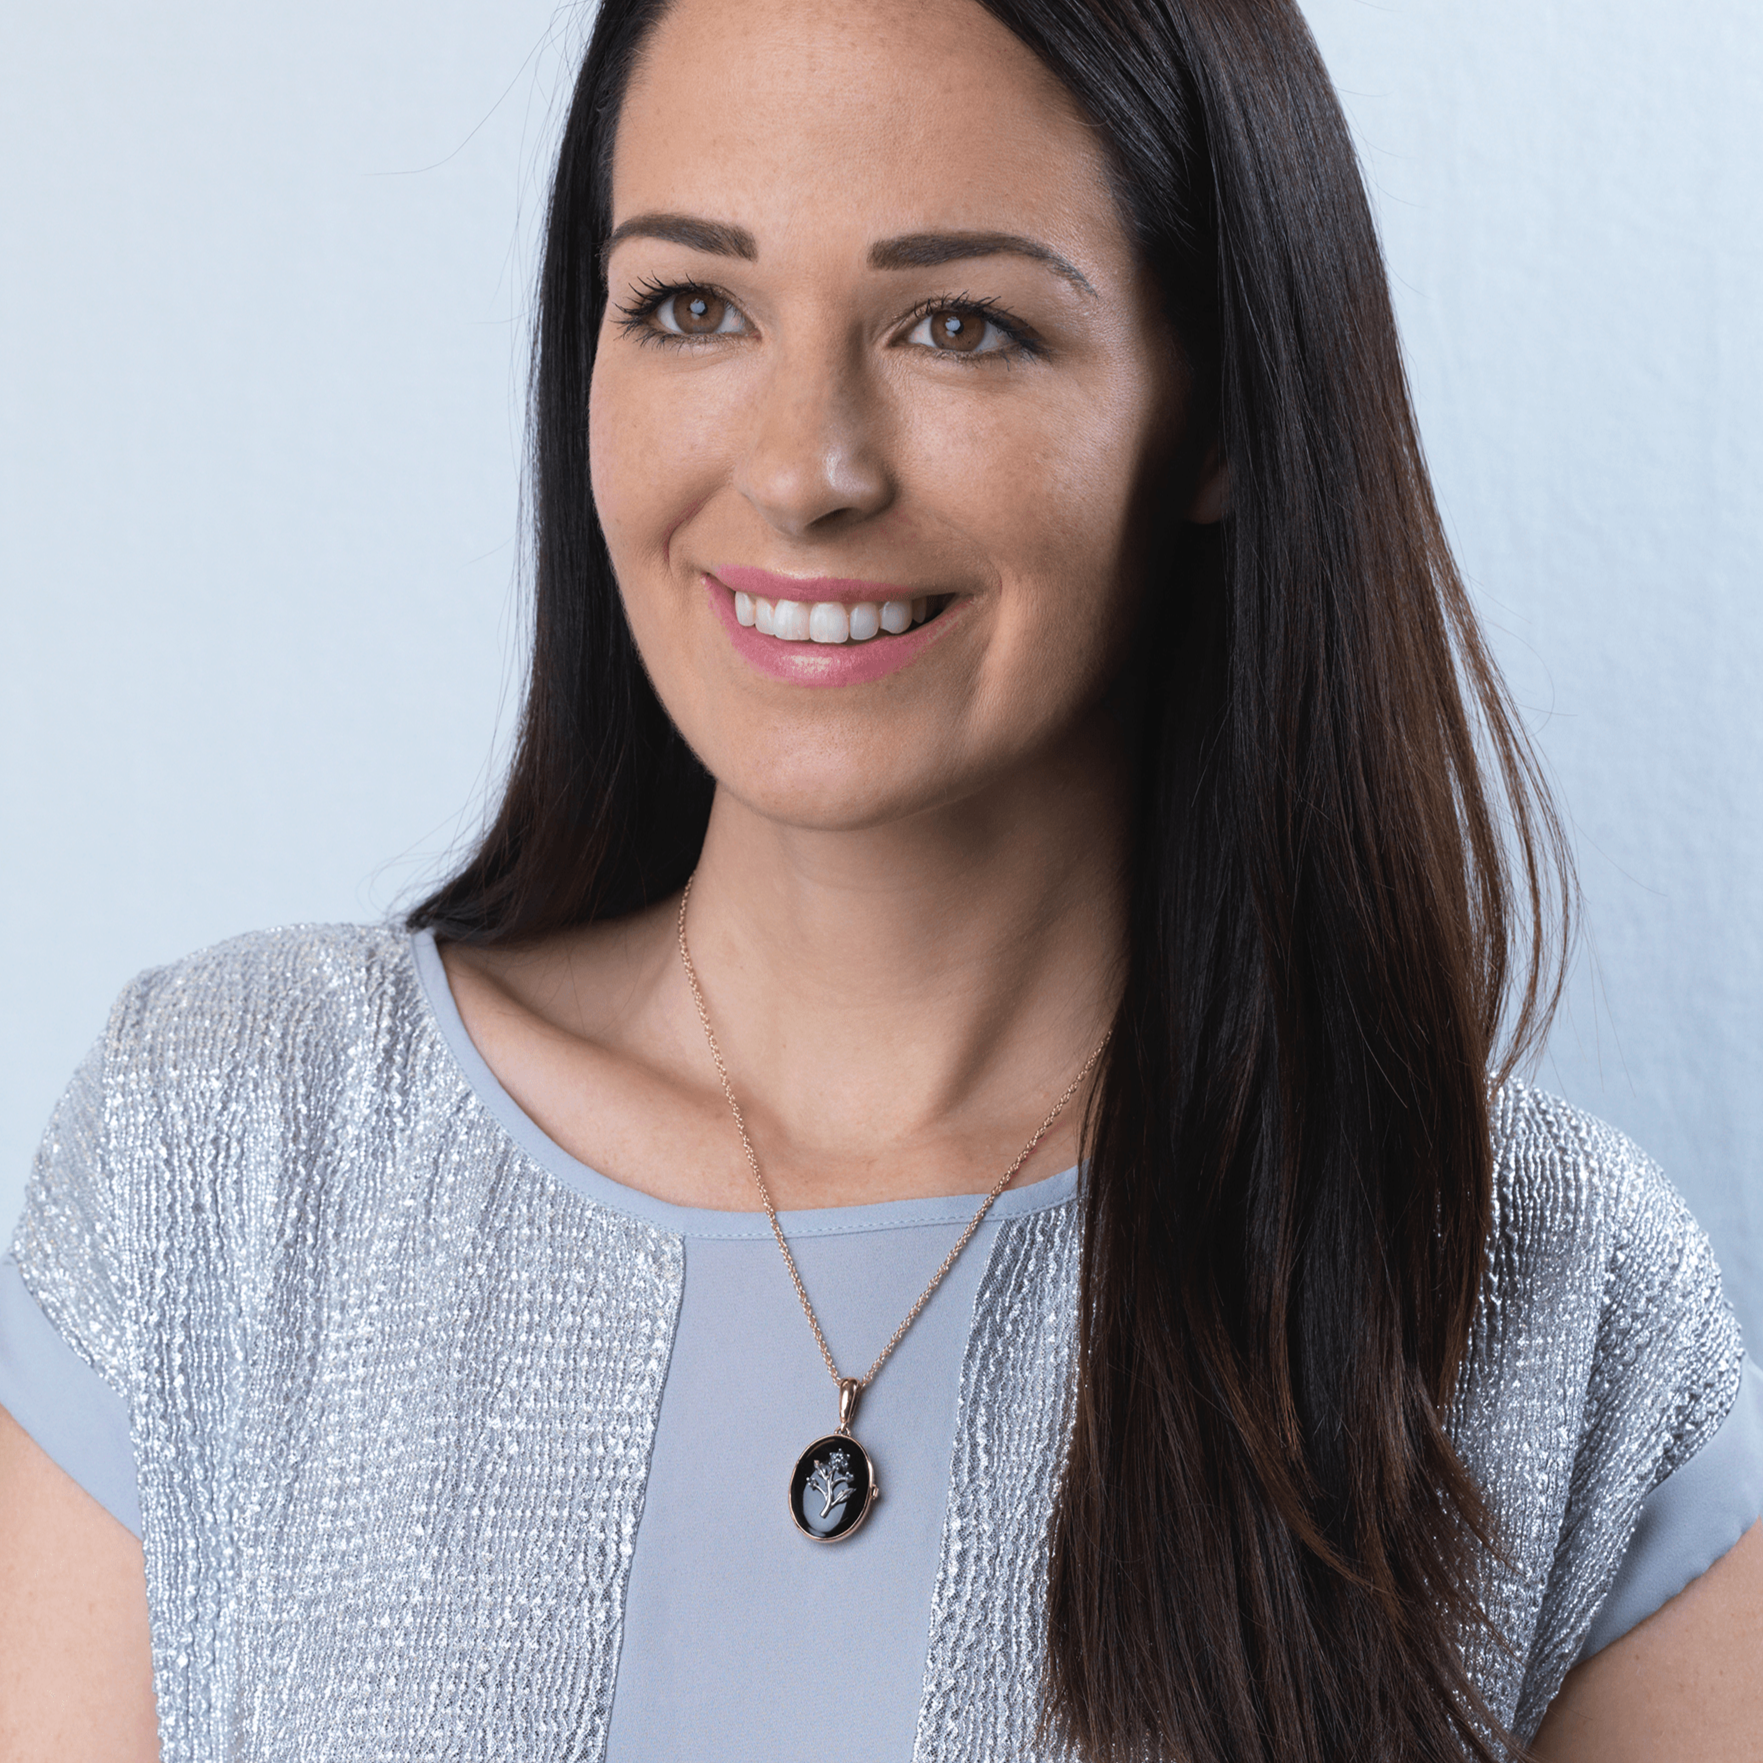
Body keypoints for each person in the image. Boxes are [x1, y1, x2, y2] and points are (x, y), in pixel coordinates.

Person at [3, 0, 1760, 1757]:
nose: (800, 471)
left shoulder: (1543, 1301)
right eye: (692, 303)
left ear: (1217, 411)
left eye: (960, 324)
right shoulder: (223, 1156)